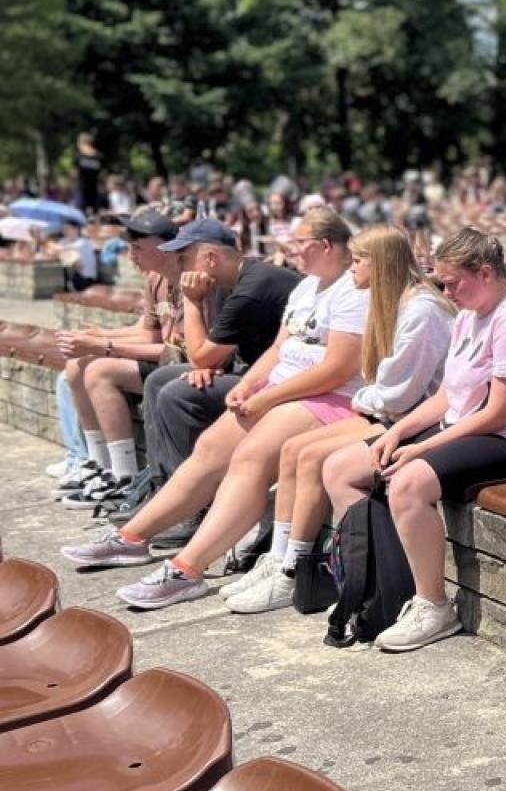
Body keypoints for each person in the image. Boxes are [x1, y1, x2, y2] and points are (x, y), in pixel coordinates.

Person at [60, 208, 364, 598]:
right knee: (208, 449)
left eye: (298, 243)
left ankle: (187, 569)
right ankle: (131, 536)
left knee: (249, 457)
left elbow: (337, 370)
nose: (291, 251)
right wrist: (251, 385)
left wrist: (266, 395)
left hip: (328, 398)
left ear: (324, 245)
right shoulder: (306, 288)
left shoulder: (353, 291)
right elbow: (278, 349)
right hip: (284, 388)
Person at [319, 228, 506, 653]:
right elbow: (448, 396)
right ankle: (377, 586)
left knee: (407, 482)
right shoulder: (468, 312)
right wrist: (396, 431)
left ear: (484, 272)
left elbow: (500, 413)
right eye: (441, 283)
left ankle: (433, 604)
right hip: (467, 424)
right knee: (343, 467)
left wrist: (423, 447)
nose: (446, 292)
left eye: (452, 283)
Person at [222, 225, 455, 615]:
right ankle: (282, 561)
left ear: (380, 265)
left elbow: (398, 392)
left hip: (416, 419)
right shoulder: (395, 301)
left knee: (316, 458)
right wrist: (369, 397)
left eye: (359, 261)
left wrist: (364, 397)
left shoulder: (421, 309)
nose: (351, 269)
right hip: (391, 412)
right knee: (295, 449)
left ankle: (303, 569)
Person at [109, 219, 300, 535]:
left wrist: (191, 300)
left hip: (277, 383)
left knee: (177, 394)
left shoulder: (253, 286)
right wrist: (206, 365)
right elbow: (211, 355)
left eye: (184, 258)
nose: (180, 266)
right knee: (160, 380)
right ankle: (164, 488)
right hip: (251, 373)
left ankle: (192, 507)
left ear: (210, 258)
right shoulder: (231, 283)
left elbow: (201, 353)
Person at [53, 208, 190, 507]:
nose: (131, 256)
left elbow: (176, 350)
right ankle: (98, 466)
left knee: (99, 370)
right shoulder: (156, 278)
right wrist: (99, 336)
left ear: (164, 247)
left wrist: (104, 346)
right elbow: (147, 332)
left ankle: (124, 476)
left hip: (183, 366)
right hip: (165, 358)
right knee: (77, 365)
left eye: (138, 248)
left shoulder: (188, 280)